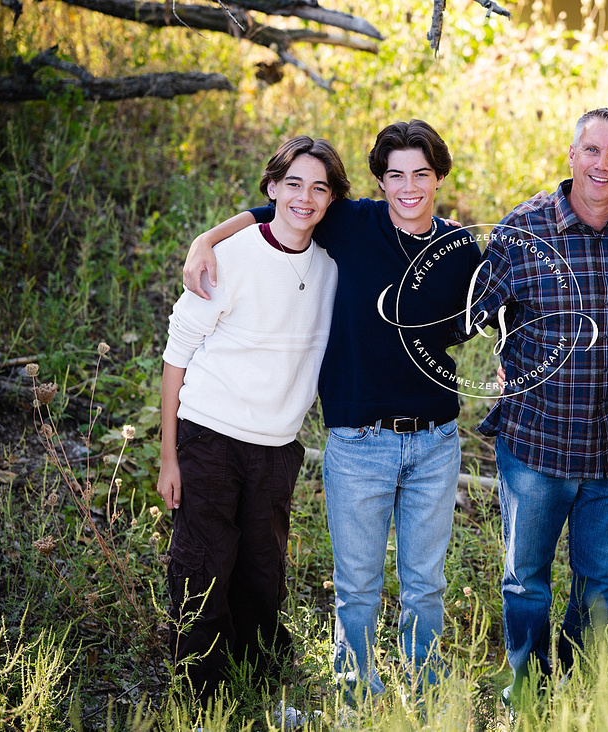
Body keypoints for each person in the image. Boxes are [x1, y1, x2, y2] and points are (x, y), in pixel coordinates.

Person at [181, 120, 482, 700]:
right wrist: (206, 241)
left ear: (439, 177)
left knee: (424, 584)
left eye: (422, 173)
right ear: (379, 181)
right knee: (358, 586)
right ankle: (355, 698)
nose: (409, 186)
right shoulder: (352, 223)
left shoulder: (459, 248)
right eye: (395, 175)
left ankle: (424, 694)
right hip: (359, 441)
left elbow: (471, 322)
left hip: (436, 440)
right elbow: (270, 211)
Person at [465, 108, 608, 699]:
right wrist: (508, 347)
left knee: (601, 582)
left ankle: (576, 689)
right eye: (592, 151)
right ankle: (525, 687)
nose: (603, 164)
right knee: (525, 582)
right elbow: (473, 313)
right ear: (571, 155)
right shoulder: (524, 230)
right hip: (535, 443)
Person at [158, 135, 347, 703]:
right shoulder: (232, 255)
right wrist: (169, 456)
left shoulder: (333, 267)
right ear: (271, 188)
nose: (304, 198)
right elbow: (176, 354)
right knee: (203, 563)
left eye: (319, 188)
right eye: (292, 184)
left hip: (278, 444)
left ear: (333, 200)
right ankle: (199, 693)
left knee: (262, 570)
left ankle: (254, 681)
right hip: (209, 437)